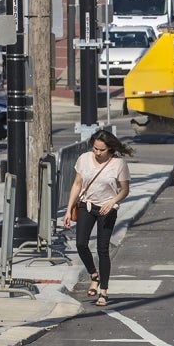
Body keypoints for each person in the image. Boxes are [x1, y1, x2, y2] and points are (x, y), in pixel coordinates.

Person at [63, 130, 134, 307]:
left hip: (107, 209)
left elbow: (125, 190)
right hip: (86, 205)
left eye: (101, 150)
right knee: (80, 243)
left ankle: (103, 291)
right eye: (95, 148)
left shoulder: (119, 164)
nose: (97, 152)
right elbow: (77, 184)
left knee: (102, 249)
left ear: (109, 148)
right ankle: (93, 275)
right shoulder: (84, 159)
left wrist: (113, 201)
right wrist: (68, 209)